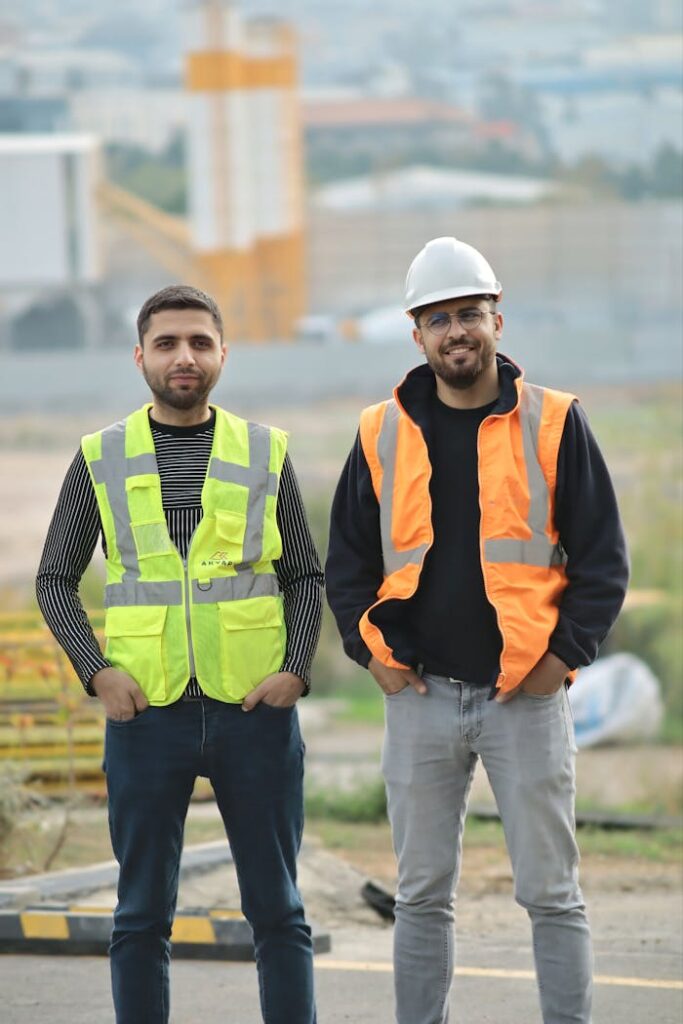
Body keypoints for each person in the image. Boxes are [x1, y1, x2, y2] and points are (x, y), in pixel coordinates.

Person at [325, 236, 629, 1024]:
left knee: (551, 893)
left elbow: (602, 561)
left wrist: (558, 661)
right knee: (421, 896)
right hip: (419, 695)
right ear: (415, 334)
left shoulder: (554, 422)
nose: (455, 331)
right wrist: (372, 656)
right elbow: (347, 563)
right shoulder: (379, 431)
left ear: (497, 319)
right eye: (437, 319)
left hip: (524, 696)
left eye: (468, 313)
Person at [36, 284, 323, 1024]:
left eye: (199, 342)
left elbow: (304, 575)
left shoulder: (263, 451)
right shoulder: (100, 457)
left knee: (278, 911)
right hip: (146, 716)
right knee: (140, 916)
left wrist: (295, 670)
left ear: (223, 353)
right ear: (140, 357)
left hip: (253, 712)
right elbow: (54, 578)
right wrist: (96, 671)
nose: (184, 357)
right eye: (167, 344)